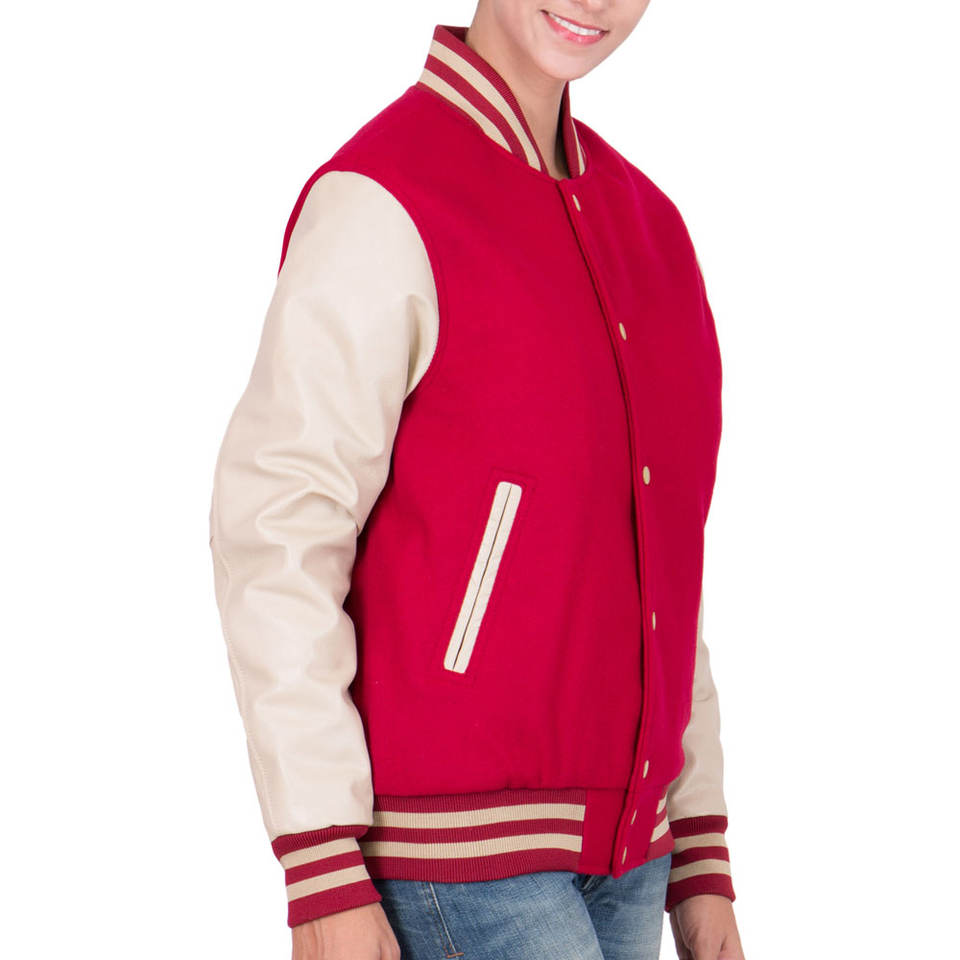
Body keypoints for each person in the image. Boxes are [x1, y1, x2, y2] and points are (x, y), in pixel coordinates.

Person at [208, 2, 746, 958]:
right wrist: (319, 860)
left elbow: (667, 566)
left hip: (636, 856)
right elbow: (280, 527)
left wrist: (700, 843)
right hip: (455, 858)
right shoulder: (384, 199)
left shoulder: (652, 229)